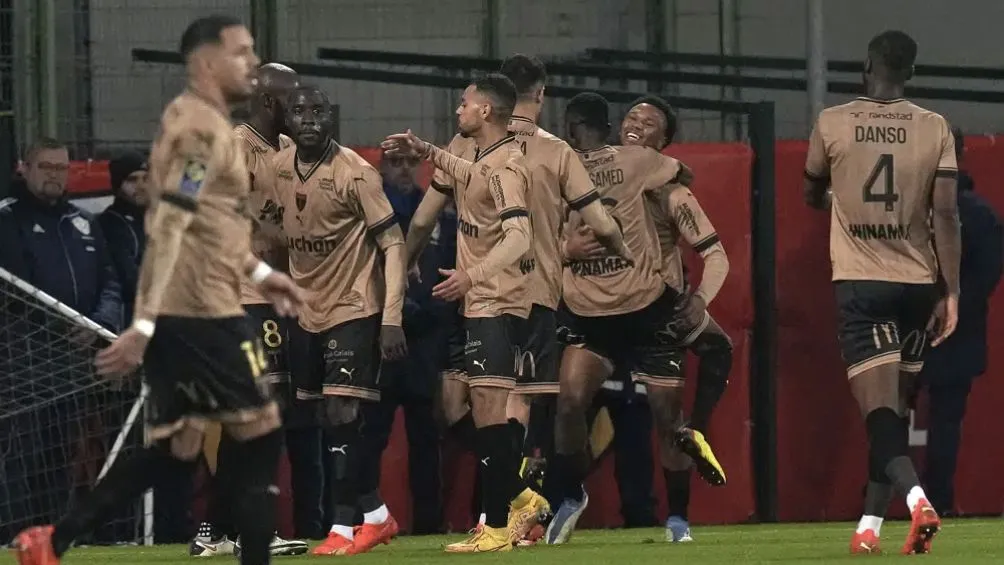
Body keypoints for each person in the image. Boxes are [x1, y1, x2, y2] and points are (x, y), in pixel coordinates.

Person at [12, 15, 305, 565]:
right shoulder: (198, 133)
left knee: (178, 449)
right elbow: (170, 224)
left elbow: (208, 225)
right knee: (262, 430)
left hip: (189, 311)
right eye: (242, 53)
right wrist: (143, 325)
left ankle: (53, 540)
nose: (252, 64)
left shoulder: (205, 124)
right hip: (202, 314)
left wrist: (262, 275)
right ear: (207, 63)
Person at [544, 92, 728, 546]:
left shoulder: (670, 190)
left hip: (651, 315)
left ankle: (679, 512)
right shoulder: (574, 173)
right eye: (630, 117)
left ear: (662, 142)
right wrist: (566, 249)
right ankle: (569, 494)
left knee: (670, 414)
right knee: (567, 403)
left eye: (648, 124)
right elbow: (538, 238)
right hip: (593, 314)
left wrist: (701, 298)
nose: (635, 125)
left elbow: (716, 254)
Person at [803, 30, 959, 556]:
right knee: (894, 408)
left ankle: (918, 502)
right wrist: (951, 292)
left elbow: (810, 191)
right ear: (910, 72)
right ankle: (869, 527)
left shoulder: (832, 121)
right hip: (918, 284)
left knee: (879, 414)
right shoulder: (934, 126)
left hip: (862, 282)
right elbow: (946, 215)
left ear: (866, 66)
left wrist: (839, 199)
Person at [382, 74, 538, 553]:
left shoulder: (509, 166)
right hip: (480, 301)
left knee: (489, 411)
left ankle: (498, 526)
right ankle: (520, 500)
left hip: (499, 298)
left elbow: (520, 237)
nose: (457, 110)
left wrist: (474, 275)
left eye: (463, 103)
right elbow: (455, 186)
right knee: (478, 413)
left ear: (485, 111)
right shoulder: (478, 155)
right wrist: (428, 150)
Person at [268, 86, 407, 556]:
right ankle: (377, 515)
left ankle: (342, 529)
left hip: (355, 305)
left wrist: (392, 318)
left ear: (332, 118)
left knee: (344, 411)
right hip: (306, 311)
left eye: (317, 111)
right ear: (287, 121)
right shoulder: (277, 168)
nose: (308, 119)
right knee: (327, 418)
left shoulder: (356, 173)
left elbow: (393, 243)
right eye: (298, 111)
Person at [188, 62, 310, 557]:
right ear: (268, 103)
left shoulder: (286, 151)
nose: (301, 112)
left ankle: (216, 530)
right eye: (293, 103)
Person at [0, 137, 123, 543]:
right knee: (19, 461)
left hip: (73, 368)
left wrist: (99, 323)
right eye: (46, 167)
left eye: (61, 168)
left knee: (62, 461)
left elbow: (110, 281)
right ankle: (12, 542)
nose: (55, 175)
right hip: (21, 368)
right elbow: (15, 289)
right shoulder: (7, 219)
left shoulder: (83, 222)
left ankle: (49, 543)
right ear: (24, 168)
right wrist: (67, 324)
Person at [917, 127, 1003, 516]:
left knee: (888, 416)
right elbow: (986, 275)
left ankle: (879, 503)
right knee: (944, 422)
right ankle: (936, 503)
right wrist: (953, 303)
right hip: (957, 332)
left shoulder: (903, 210)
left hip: (910, 328)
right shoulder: (980, 214)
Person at [360, 151, 444, 535]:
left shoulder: (437, 213)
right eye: (396, 162)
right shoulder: (367, 214)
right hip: (379, 341)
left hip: (424, 344)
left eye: (412, 161)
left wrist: (424, 313)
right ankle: (363, 520)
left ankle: (429, 526)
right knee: (370, 438)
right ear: (382, 169)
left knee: (427, 442)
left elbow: (447, 270)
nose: (406, 169)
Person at [99, 152, 149, 326]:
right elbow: (129, 280)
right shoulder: (111, 223)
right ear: (118, 185)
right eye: (132, 180)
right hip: (130, 321)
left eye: (146, 179)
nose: (141, 186)